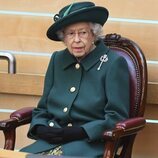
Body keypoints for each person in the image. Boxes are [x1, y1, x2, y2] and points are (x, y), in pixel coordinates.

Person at [21, 1, 130, 157]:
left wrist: (80, 132)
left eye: (83, 33)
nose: (76, 40)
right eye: (71, 34)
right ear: (63, 38)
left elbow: (117, 117)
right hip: (52, 139)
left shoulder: (113, 63)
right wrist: (40, 127)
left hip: (91, 144)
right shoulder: (57, 59)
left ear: (94, 34)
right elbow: (42, 108)